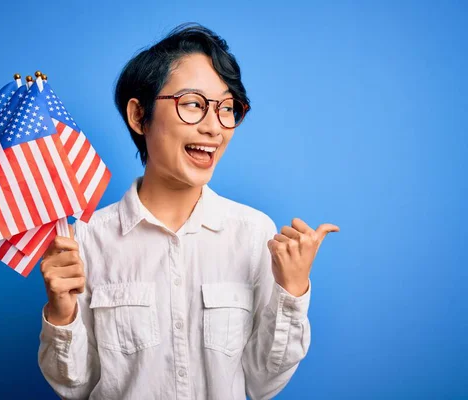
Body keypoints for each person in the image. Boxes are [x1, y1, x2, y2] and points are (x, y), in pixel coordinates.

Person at [37, 23, 339, 400]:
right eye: (194, 104)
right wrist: (61, 312)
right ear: (138, 116)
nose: (215, 127)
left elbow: (263, 384)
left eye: (227, 108)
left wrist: (291, 290)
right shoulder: (86, 238)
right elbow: (75, 386)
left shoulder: (253, 233)